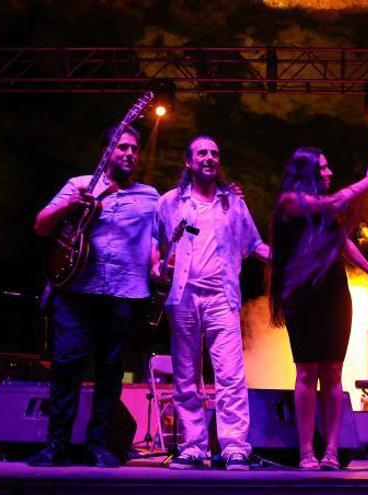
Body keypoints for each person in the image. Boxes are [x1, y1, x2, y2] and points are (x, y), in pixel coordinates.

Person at [29, 125, 159, 467]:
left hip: (123, 293)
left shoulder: (150, 196)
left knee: (110, 371)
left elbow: (157, 241)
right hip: (76, 293)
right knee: (66, 368)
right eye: (122, 148)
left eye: (134, 148)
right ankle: (57, 444)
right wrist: (72, 204)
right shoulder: (80, 184)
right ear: (107, 151)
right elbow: (41, 225)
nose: (129, 153)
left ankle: (99, 444)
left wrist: (159, 263)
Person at [152, 136, 270, 471]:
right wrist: (155, 267)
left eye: (215, 153)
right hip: (184, 296)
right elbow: (154, 247)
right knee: (186, 376)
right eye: (202, 153)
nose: (209, 157)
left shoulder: (232, 202)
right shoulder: (170, 202)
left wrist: (287, 259)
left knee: (231, 375)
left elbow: (255, 244)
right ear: (188, 162)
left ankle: (234, 446)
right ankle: (193, 447)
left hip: (222, 296)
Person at [269, 148, 368, 470]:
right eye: (323, 168)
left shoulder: (325, 210)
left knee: (333, 371)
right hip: (303, 293)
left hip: (334, 291)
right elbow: (335, 202)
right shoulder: (290, 202)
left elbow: (341, 241)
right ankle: (306, 451)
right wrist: (367, 182)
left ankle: (332, 451)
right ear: (307, 172)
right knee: (307, 371)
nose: (329, 173)